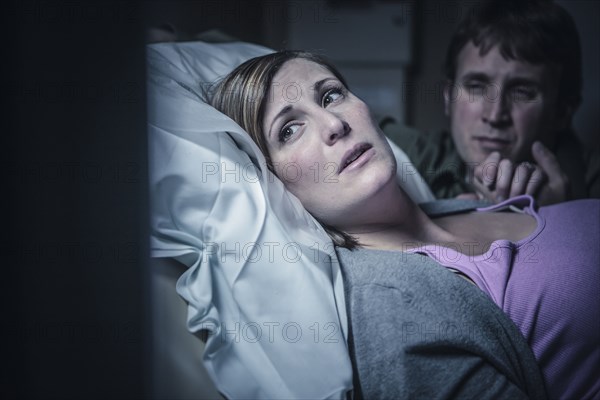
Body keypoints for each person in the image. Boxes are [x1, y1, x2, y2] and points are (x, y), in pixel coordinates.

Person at [210, 50, 599, 399]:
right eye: (289, 130)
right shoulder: (391, 311)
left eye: (331, 95)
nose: (333, 123)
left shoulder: (460, 204)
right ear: (272, 181)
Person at [382, 0, 600, 205]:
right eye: (476, 86)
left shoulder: (592, 187)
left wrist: (561, 218)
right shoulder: (414, 156)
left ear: (562, 111)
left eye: (521, 92)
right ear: (448, 97)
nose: (495, 115)